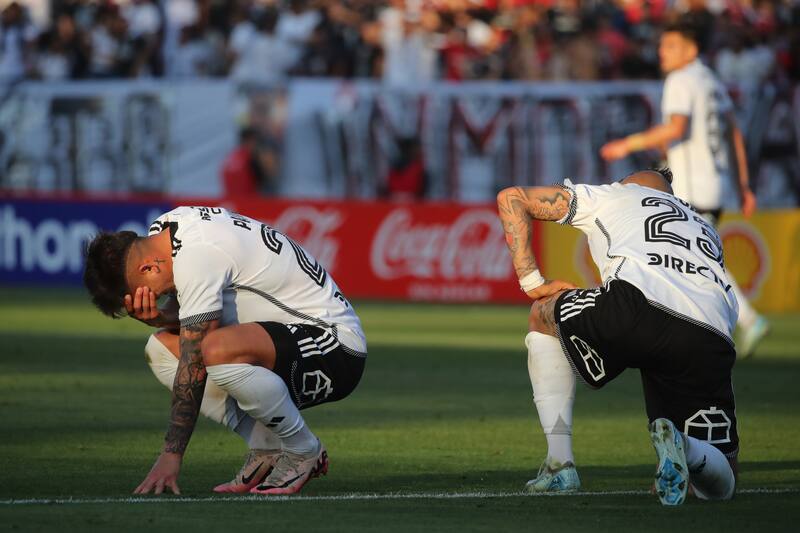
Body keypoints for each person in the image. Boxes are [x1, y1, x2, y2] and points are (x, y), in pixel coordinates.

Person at [83, 206, 367, 495]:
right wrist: (157, 319)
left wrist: (172, 454)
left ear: (148, 268)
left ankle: (303, 450)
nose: (156, 298)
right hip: (290, 338)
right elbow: (195, 315)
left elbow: (195, 355)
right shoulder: (168, 228)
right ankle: (266, 446)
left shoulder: (196, 256)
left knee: (213, 349)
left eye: (147, 292)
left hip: (336, 348)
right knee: (160, 348)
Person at [497, 168, 739, 505]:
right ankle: (686, 448)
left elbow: (512, 198)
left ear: (627, 184)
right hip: (709, 333)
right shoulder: (702, 225)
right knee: (720, 480)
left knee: (542, 315)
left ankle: (559, 465)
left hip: (635, 308)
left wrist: (532, 281)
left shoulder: (614, 195)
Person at [600, 21, 768, 358]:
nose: (662, 53)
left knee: (692, 258)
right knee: (696, 256)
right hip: (717, 185)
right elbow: (733, 135)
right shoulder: (711, 81)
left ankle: (747, 319)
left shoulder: (681, 79)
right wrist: (743, 185)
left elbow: (676, 126)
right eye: (662, 46)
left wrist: (627, 143)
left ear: (690, 50)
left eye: (671, 46)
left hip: (692, 185)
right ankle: (718, 324)